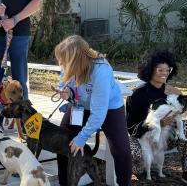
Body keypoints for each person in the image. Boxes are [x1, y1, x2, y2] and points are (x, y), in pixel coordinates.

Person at [55, 35, 132, 186]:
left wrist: (81, 138)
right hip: (80, 105)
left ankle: (125, 183)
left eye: (64, 61)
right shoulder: (67, 65)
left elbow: (98, 114)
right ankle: (65, 182)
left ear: (76, 60)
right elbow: (66, 84)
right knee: (62, 142)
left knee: (121, 150)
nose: (61, 64)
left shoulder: (101, 70)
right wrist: (67, 93)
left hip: (109, 108)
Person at [125, 50, 187, 183]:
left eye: (168, 70)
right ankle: (139, 169)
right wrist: (157, 123)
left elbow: (179, 120)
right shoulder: (137, 95)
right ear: (150, 70)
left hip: (165, 137)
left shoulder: (174, 93)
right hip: (142, 138)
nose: (164, 73)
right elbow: (130, 128)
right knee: (130, 147)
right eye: (160, 70)